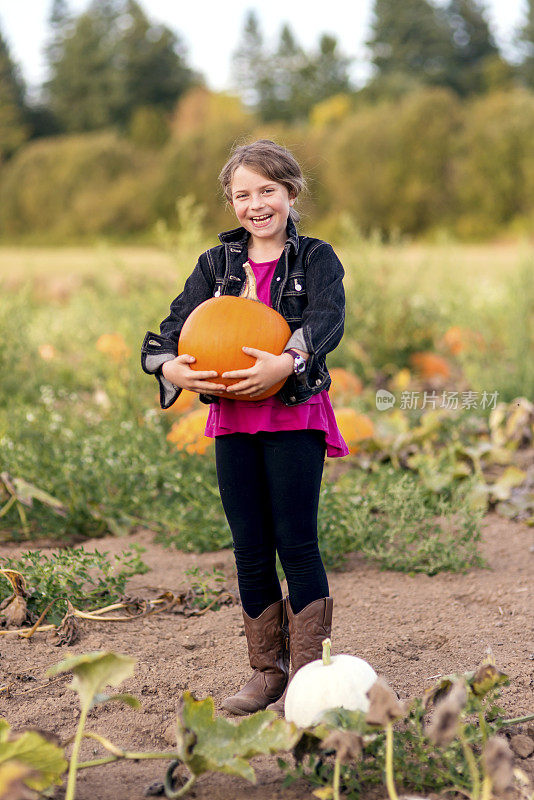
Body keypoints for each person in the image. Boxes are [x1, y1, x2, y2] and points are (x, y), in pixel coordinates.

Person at [141, 139, 348, 716]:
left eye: (267, 191)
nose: (256, 204)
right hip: (233, 419)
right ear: (231, 202)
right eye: (243, 194)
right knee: (250, 547)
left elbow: (327, 319)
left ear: (290, 193)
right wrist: (174, 366)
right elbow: (168, 334)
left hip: (293, 414)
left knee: (296, 542)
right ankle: (265, 672)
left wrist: (288, 361)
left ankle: (309, 678)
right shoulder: (214, 266)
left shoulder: (316, 259)